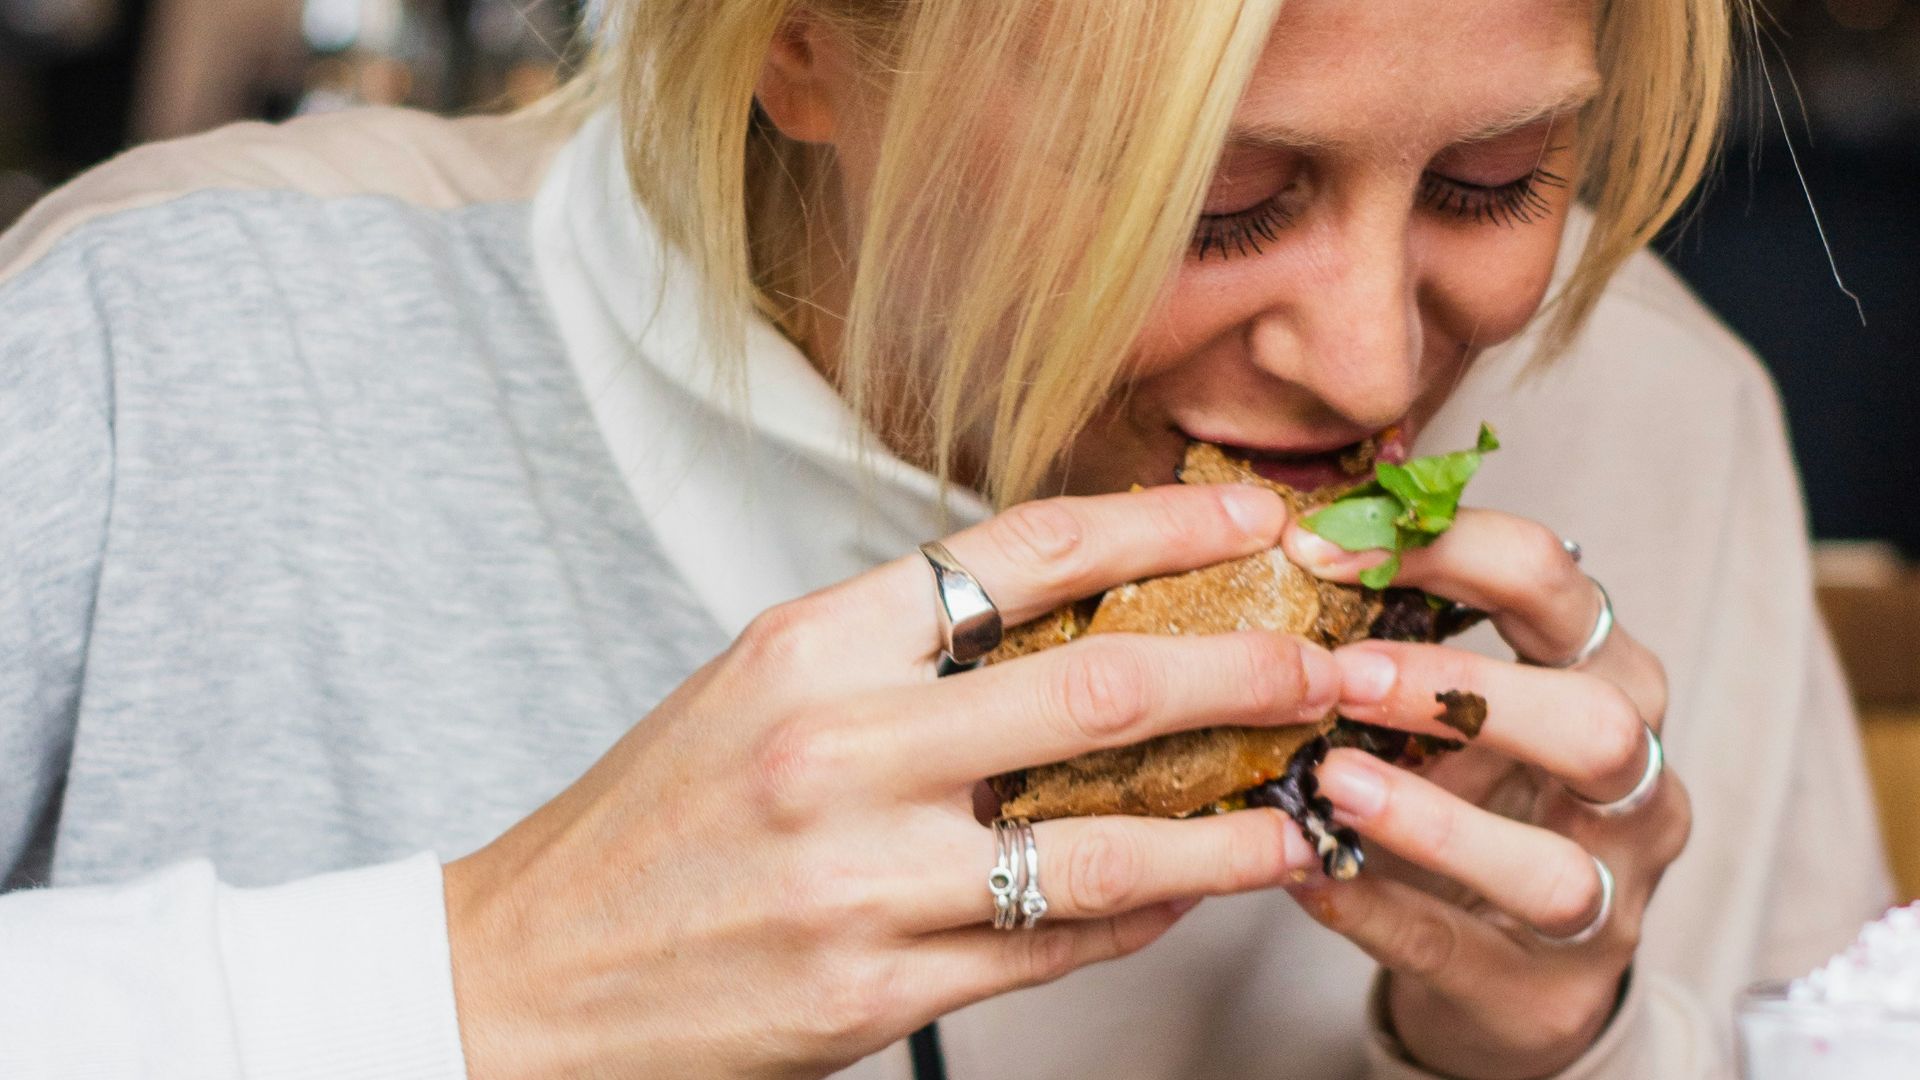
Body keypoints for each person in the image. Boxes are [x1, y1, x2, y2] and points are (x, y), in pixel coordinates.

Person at [0, 0, 1892, 1077]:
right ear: (804, 44)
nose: (1381, 361)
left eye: (1499, 184)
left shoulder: (1663, 412)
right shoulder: (163, 341)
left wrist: (1555, 1048)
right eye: (1219, 201)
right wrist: (472, 981)